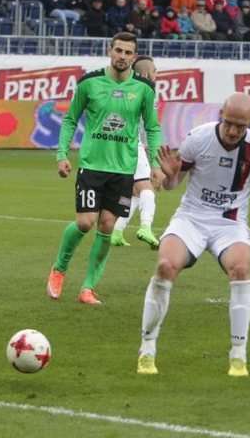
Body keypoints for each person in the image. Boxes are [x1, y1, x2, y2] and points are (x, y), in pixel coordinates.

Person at [137, 93, 250, 378]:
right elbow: (175, 183)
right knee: (165, 267)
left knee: (241, 268)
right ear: (221, 115)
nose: (233, 130)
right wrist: (168, 175)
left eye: (241, 125)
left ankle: (238, 355)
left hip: (230, 223)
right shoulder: (198, 139)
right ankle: (147, 348)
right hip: (191, 217)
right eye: (229, 123)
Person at [46, 32, 163, 306]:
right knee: (86, 222)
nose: (122, 56)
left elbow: (153, 127)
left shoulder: (144, 89)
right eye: (118, 51)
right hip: (92, 165)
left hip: (123, 169)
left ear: (134, 57)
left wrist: (155, 162)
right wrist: (62, 154)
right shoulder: (90, 83)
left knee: (108, 226)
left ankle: (88, 287)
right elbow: (70, 119)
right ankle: (59, 269)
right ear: (110, 51)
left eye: (128, 52)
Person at [110, 56, 165, 249]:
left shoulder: (126, 88)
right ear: (145, 73)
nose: (157, 74)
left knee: (132, 192)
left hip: (119, 146)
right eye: (155, 70)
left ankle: (117, 231)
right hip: (133, 145)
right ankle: (146, 227)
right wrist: (154, 161)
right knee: (147, 188)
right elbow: (150, 128)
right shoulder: (145, 91)